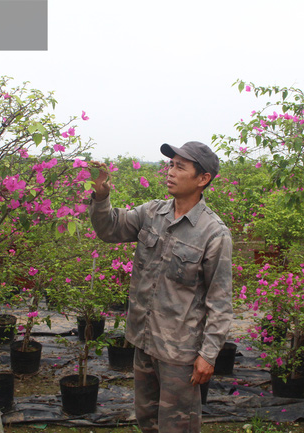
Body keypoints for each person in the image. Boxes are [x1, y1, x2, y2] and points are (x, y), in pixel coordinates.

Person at [89, 141, 233, 432]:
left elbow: (220, 301)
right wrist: (102, 196)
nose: (170, 171)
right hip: (144, 339)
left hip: (180, 352)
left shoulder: (214, 234)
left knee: (177, 425)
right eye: (170, 164)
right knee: (147, 419)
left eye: (181, 166)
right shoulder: (152, 213)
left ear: (203, 179)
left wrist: (208, 354)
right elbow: (110, 228)